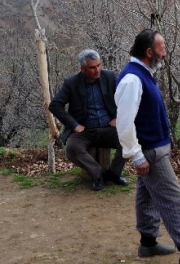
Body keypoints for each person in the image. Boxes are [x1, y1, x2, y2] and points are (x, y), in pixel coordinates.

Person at [115, 29, 180, 264]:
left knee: (147, 197)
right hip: (149, 151)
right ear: (149, 52)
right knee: (173, 200)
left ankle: (148, 243)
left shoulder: (144, 74)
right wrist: (136, 154)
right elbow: (124, 122)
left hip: (154, 148)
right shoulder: (133, 79)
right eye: (162, 48)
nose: (166, 52)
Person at [49, 49, 127, 191]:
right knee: (72, 149)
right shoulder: (71, 83)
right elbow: (54, 105)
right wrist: (74, 124)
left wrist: (118, 117)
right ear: (83, 68)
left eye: (98, 65)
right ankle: (99, 175)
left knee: (130, 139)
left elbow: (125, 99)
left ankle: (114, 174)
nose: (97, 70)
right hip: (84, 131)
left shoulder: (109, 77)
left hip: (108, 128)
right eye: (92, 67)